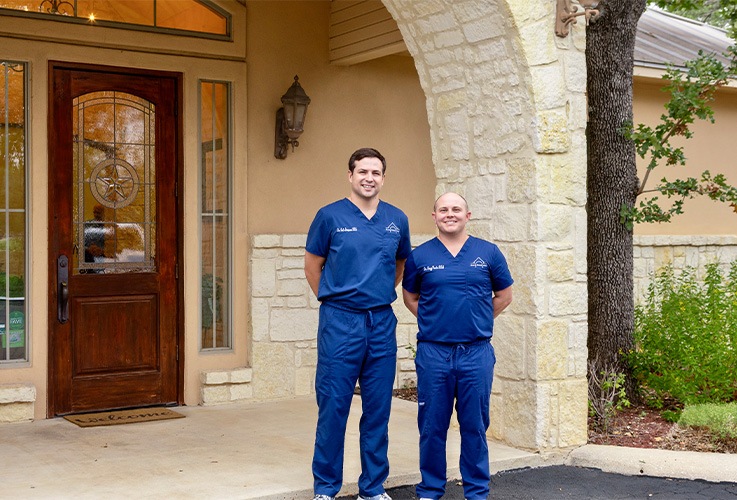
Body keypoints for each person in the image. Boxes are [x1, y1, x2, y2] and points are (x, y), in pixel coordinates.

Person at [304, 147, 411, 500]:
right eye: (362, 171)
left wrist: (375, 294)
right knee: (334, 406)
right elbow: (312, 265)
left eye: (376, 172)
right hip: (340, 322)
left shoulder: (397, 219)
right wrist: (336, 300)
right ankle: (326, 488)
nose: (369, 178)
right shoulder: (329, 217)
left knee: (378, 408)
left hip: (381, 322)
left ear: (383, 178)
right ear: (350, 175)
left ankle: (373, 488)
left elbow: (398, 266)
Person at [402, 192, 513, 500]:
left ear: (468, 215)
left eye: (456, 209)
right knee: (432, 427)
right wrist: (436, 319)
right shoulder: (420, 256)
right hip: (434, 354)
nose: (449, 213)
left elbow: (504, 295)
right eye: (443, 209)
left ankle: (477, 492)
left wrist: (476, 318)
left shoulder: (487, 253)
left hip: (475, 354)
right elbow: (410, 297)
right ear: (434, 216)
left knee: (475, 427)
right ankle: (430, 490)